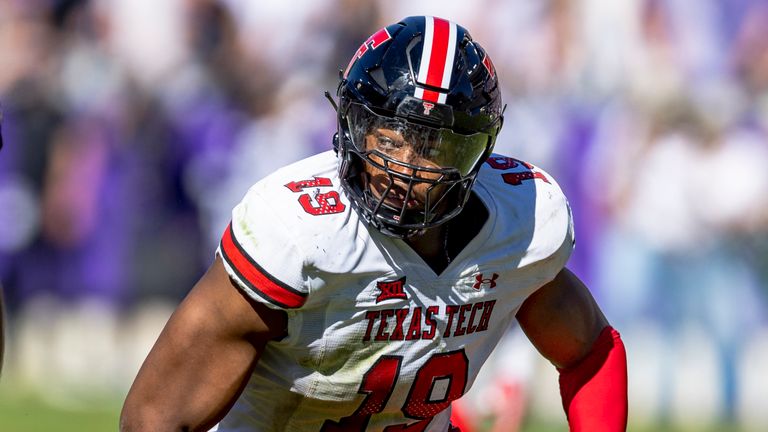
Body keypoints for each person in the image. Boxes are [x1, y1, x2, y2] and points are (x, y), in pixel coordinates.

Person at [120, 16, 627, 431]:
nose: (403, 167)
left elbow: (591, 351)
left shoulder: (518, 224)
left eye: (433, 145)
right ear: (352, 126)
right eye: (388, 137)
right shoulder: (302, 232)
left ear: (477, 153)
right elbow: (154, 418)